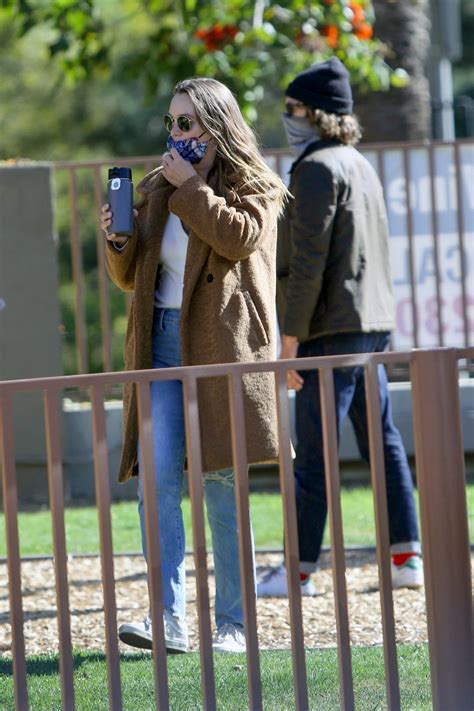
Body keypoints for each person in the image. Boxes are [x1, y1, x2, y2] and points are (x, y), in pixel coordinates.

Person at [100, 77, 288, 652]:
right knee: (157, 481)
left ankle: (233, 624)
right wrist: (116, 240)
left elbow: (238, 238)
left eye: (188, 123)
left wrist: (191, 189)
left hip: (220, 349)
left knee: (221, 484)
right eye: (171, 124)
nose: (177, 134)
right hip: (157, 345)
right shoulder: (160, 185)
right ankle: (167, 619)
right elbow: (129, 279)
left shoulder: (256, 184)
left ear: (217, 124)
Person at [257, 57, 423, 598]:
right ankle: (406, 557)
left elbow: (308, 263)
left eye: (295, 107)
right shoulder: (360, 163)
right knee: (383, 441)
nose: (288, 116)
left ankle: (299, 570)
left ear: (319, 114)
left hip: (329, 330)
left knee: (314, 451)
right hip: (370, 324)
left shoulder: (316, 169)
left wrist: (290, 338)